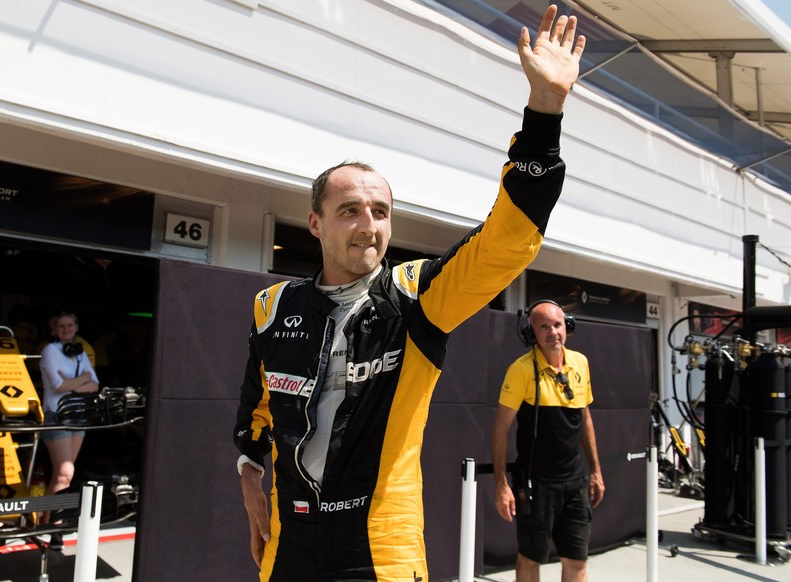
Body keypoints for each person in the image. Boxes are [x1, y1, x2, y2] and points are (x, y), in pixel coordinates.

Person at [234, 6, 586, 580]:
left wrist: (544, 112)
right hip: (289, 539)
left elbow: (506, 243)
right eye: (349, 211)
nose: (369, 225)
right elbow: (255, 408)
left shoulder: (416, 295)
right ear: (316, 224)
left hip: (380, 542)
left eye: (380, 212)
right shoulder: (273, 308)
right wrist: (250, 472)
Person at [491, 300, 604, 582]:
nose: (553, 332)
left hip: (575, 482)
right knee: (530, 559)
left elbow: (585, 419)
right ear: (531, 334)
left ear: (567, 327)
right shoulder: (521, 370)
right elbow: (500, 428)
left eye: (557, 324)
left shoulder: (581, 363)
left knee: (576, 559)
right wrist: (501, 485)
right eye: (544, 326)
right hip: (536, 484)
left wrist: (596, 472)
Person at [38, 311, 100, 547]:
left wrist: (75, 383)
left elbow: (95, 385)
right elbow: (58, 384)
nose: (66, 329)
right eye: (60, 325)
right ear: (54, 330)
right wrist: (80, 380)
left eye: (70, 325)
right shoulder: (49, 351)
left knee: (61, 476)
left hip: (78, 416)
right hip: (57, 416)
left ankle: (45, 522)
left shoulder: (80, 353)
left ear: (76, 328)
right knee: (65, 474)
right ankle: (54, 528)